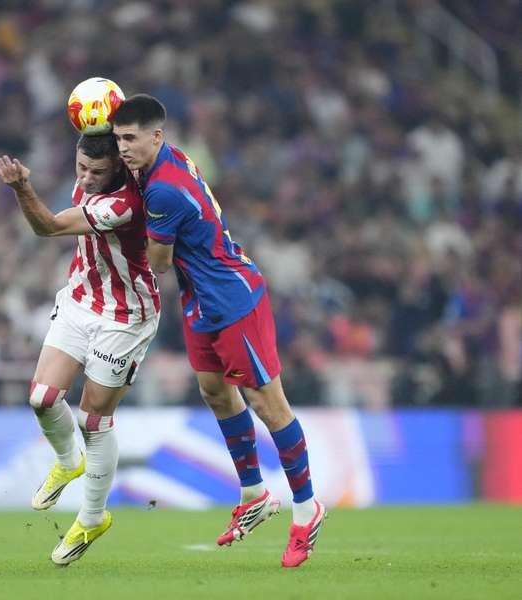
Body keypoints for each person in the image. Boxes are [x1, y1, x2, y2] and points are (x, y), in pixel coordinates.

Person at [112, 95, 325, 568]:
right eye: (118, 139)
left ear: (156, 137)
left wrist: (116, 226)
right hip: (200, 299)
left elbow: (161, 262)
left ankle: (307, 509)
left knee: (268, 402)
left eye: (130, 138)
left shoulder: (163, 190)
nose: (122, 148)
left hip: (231, 298)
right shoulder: (164, 163)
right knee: (213, 390)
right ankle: (254, 493)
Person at [0, 133, 160, 565]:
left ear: (119, 169)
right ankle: (69, 461)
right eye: (80, 167)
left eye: (95, 172)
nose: (85, 178)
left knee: (94, 419)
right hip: (80, 300)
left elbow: (47, 226)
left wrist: (21, 188)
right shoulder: (94, 174)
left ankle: (91, 517)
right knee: (42, 398)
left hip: (124, 318)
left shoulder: (121, 205)